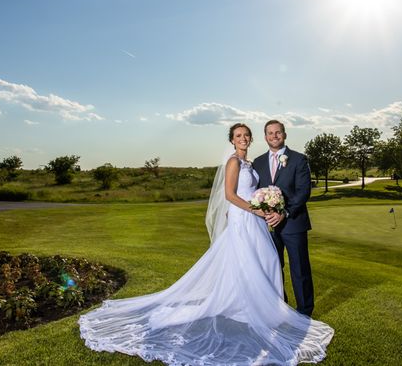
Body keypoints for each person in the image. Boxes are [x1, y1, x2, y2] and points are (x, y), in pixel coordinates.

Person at [79, 123, 333, 365]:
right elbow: (230, 195)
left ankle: (276, 308)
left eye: (246, 135)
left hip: (261, 220)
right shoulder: (235, 162)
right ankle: (258, 306)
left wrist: (269, 205)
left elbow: (283, 190)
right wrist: (255, 210)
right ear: (232, 140)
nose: (243, 138)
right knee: (252, 261)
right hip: (247, 217)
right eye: (238, 135)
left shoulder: (255, 162)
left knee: (267, 261)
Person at [253, 120, 315, 316]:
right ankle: (280, 306)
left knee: (300, 269)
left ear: (285, 135)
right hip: (267, 226)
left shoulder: (298, 159)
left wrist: (284, 212)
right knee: (273, 268)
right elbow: (255, 192)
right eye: (270, 133)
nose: (274, 136)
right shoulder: (258, 162)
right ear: (265, 137)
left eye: (278, 132)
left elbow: (303, 191)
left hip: (293, 224)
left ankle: (305, 312)